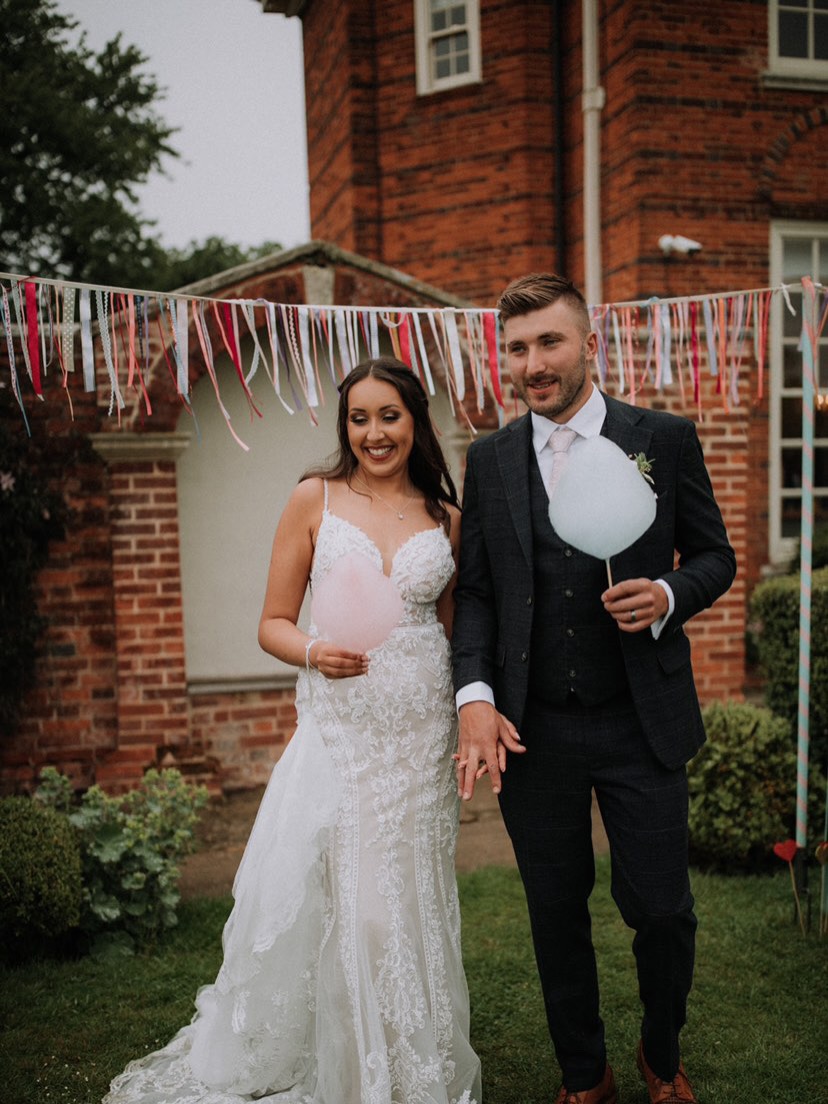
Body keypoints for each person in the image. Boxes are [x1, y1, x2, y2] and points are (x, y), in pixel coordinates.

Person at [105, 357, 481, 1104]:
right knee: (356, 906)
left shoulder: (445, 517)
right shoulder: (314, 499)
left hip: (417, 736)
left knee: (410, 899)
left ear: (415, 423)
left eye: (389, 416)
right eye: (359, 418)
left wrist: (467, 715)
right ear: (346, 427)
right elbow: (271, 624)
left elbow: (455, 631)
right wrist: (314, 651)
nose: (374, 432)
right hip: (344, 737)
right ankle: (354, 1069)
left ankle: (412, 1061)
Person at [452, 274, 736, 1104]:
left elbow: (714, 556)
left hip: (640, 720)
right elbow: (475, 592)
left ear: (589, 343)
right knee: (554, 908)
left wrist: (671, 595)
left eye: (549, 342)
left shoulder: (665, 438)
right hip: (533, 727)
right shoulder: (491, 458)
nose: (533, 363)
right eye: (517, 348)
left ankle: (660, 1048)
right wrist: (474, 692)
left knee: (662, 909)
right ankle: (585, 1070)